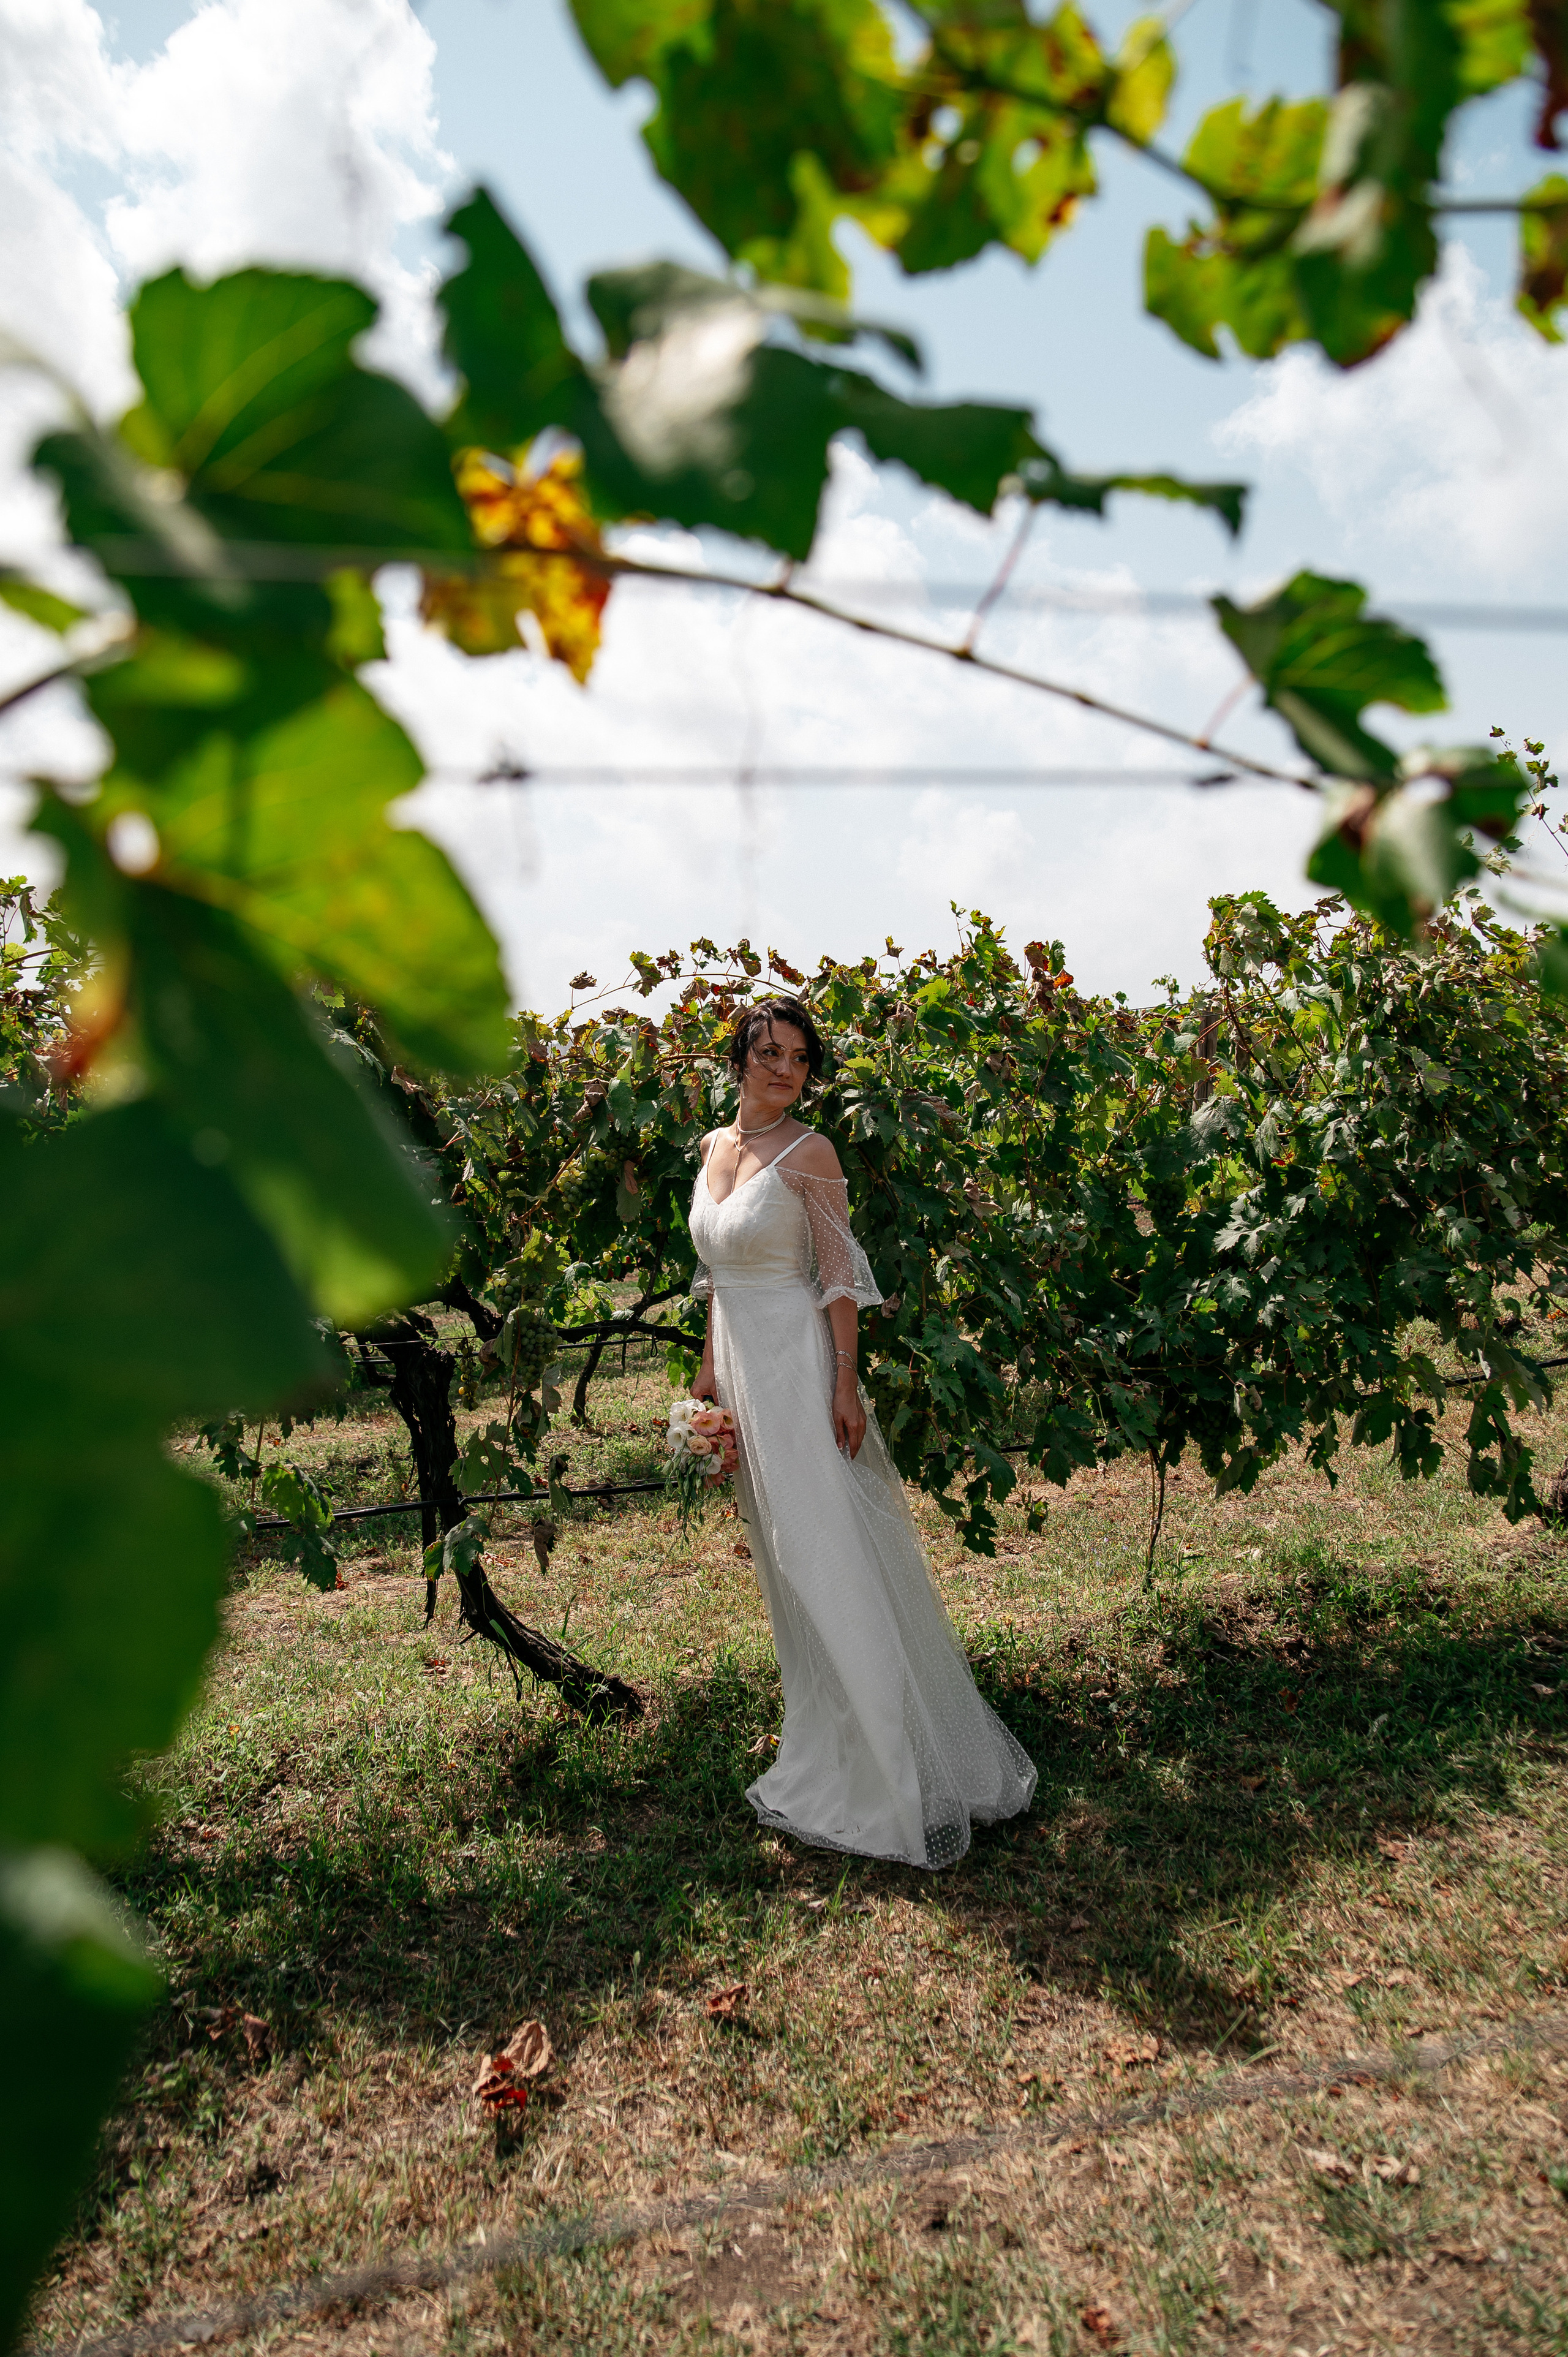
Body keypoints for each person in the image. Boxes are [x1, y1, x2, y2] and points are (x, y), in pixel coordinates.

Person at [689, 996, 1036, 1870]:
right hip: (741, 1373)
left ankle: (894, 1774)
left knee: (827, 1554)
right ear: (738, 1060)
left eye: (800, 1059)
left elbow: (838, 1278)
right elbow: (717, 1278)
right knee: (784, 1562)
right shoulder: (712, 1148)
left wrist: (845, 1383)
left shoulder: (812, 1153)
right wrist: (705, 1376)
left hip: (799, 1370)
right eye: (769, 1053)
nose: (785, 1070)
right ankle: (828, 1744)